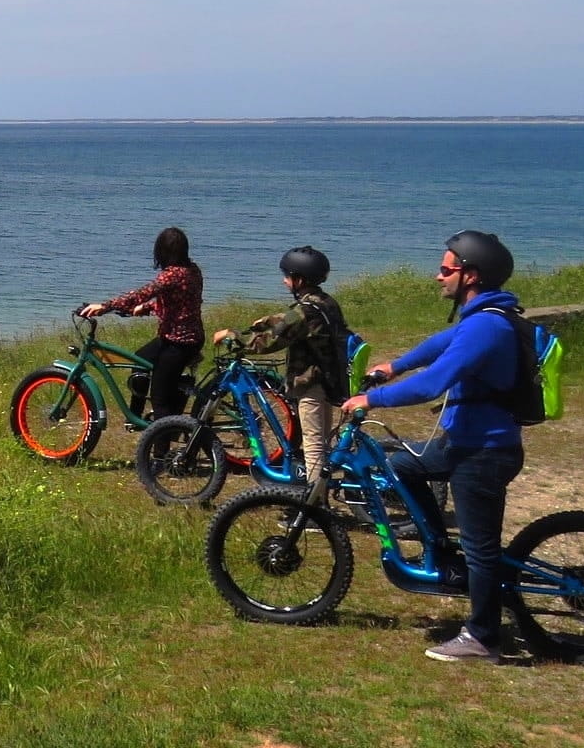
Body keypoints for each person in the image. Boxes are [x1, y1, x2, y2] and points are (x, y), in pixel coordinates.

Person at [341, 229, 524, 665]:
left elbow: (433, 383)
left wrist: (373, 398)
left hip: (483, 453)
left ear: (471, 275)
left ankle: (483, 638)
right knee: (402, 465)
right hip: (463, 443)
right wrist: (394, 365)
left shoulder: (488, 326)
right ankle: (441, 551)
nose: (437, 277)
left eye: (445, 270)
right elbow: (438, 346)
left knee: (481, 548)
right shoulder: (482, 316)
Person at [213, 245, 349, 497]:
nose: (284, 280)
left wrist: (232, 338)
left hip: (312, 387)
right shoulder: (326, 303)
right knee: (323, 442)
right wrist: (264, 322)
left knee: (313, 446)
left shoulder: (305, 312)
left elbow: (268, 342)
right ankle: (319, 491)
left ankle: (315, 508)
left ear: (299, 279)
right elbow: (286, 320)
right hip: (330, 381)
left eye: (287, 276)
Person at [79, 226, 205, 424]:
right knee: (140, 358)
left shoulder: (171, 275)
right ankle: (135, 417)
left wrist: (105, 306)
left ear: (163, 252)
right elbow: (182, 303)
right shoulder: (193, 270)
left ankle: (160, 453)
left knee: (160, 399)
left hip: (179, 343)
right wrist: (146, 308)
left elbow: (142, 293)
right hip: (186, 337)